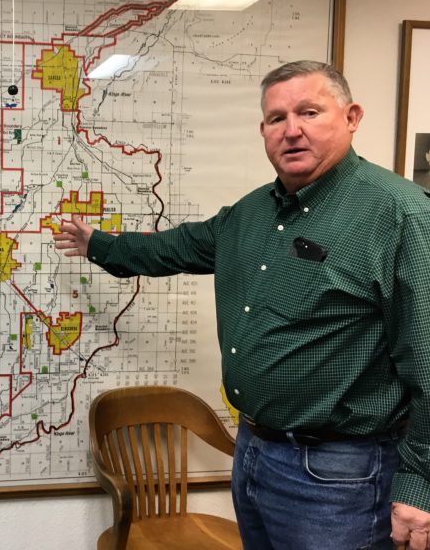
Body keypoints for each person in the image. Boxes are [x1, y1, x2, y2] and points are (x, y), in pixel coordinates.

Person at [53, 60, 430, 549]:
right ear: (264, 130)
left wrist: (419, 486)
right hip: (254, 451)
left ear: (352, 117)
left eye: (309, 112)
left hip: (341, 473)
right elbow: (174, 247)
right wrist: (97, 244)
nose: (292, 130)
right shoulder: (251, 214)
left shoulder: (401, 215)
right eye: (277, 118)